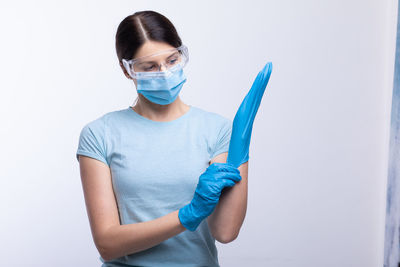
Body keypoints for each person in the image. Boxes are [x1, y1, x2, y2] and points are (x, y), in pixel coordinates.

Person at [76, 10, 248, 267]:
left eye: (172, 60)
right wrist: (187, 215)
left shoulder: (218, 130)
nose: (165, 73)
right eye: (150, 67)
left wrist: (241, 146)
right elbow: (107, 244)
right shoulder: (99, 134)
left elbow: (225, 232)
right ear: (127, 70)